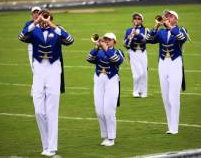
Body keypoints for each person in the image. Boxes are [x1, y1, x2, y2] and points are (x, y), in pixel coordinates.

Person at [18, 9, 74, 156]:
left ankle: (52, 146)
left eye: (46, 17)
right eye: (42, 17)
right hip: (38, 71)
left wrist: (53, 26)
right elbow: (21, 36)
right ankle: (45, 144)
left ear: (50, 18)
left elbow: (70, 40)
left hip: (53, 71)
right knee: (38, 111)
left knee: (52, 110)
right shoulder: (34, 31)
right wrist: (34, 23)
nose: (43, 19)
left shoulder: (57, 30)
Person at [147, 10, 189, 134]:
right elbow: (148, 39)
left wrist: (171, 27)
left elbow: (182, 38)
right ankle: (170, 125)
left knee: (173, 96)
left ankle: (174, 127)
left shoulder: (182, 30)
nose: (167, 18)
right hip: (163, 63)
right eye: (166, 16)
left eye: (170, 16)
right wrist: (156, 26)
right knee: (165, 96)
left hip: (175, 63)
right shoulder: (161, 32)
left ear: (176, 19)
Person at [87, 32, 124, 146]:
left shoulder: (118, 52)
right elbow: (89, 58)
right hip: (99, 80)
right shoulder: (99, 51)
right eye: (105, 39)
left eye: (109, 39)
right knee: (99, 111)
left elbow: (116, 60)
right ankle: (105, 135)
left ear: (114, 41)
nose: (106, 41)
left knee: (109, 110)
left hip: (111, 81)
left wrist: (106, 48)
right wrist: (96, 47)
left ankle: (111, 137)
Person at [124, 12, 149, 98]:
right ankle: (135, 91)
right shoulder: (128, 30)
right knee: (137, 74)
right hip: (133, 53)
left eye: (139, 19)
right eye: (135, 18)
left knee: (144, 73)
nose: (136, 20)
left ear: (142, 21)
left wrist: (137, 34)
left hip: (142, 53)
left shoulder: (145, 30)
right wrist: (129, 38)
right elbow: (126, 45)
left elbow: (145, 40)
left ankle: (144, 92)